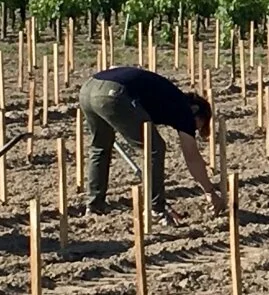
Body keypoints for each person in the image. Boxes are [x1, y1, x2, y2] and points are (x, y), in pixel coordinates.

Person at [78, 66, 224, 218]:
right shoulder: (184, 110)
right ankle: (157, 209)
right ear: (196, 111)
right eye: (198, 126)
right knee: (154, 148)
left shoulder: (168, 98)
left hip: (88, 89)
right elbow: (192, 157)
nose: (193, 130)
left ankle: (94, 205)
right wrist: (210, 191)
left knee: (100, 147)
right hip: (113, 93)